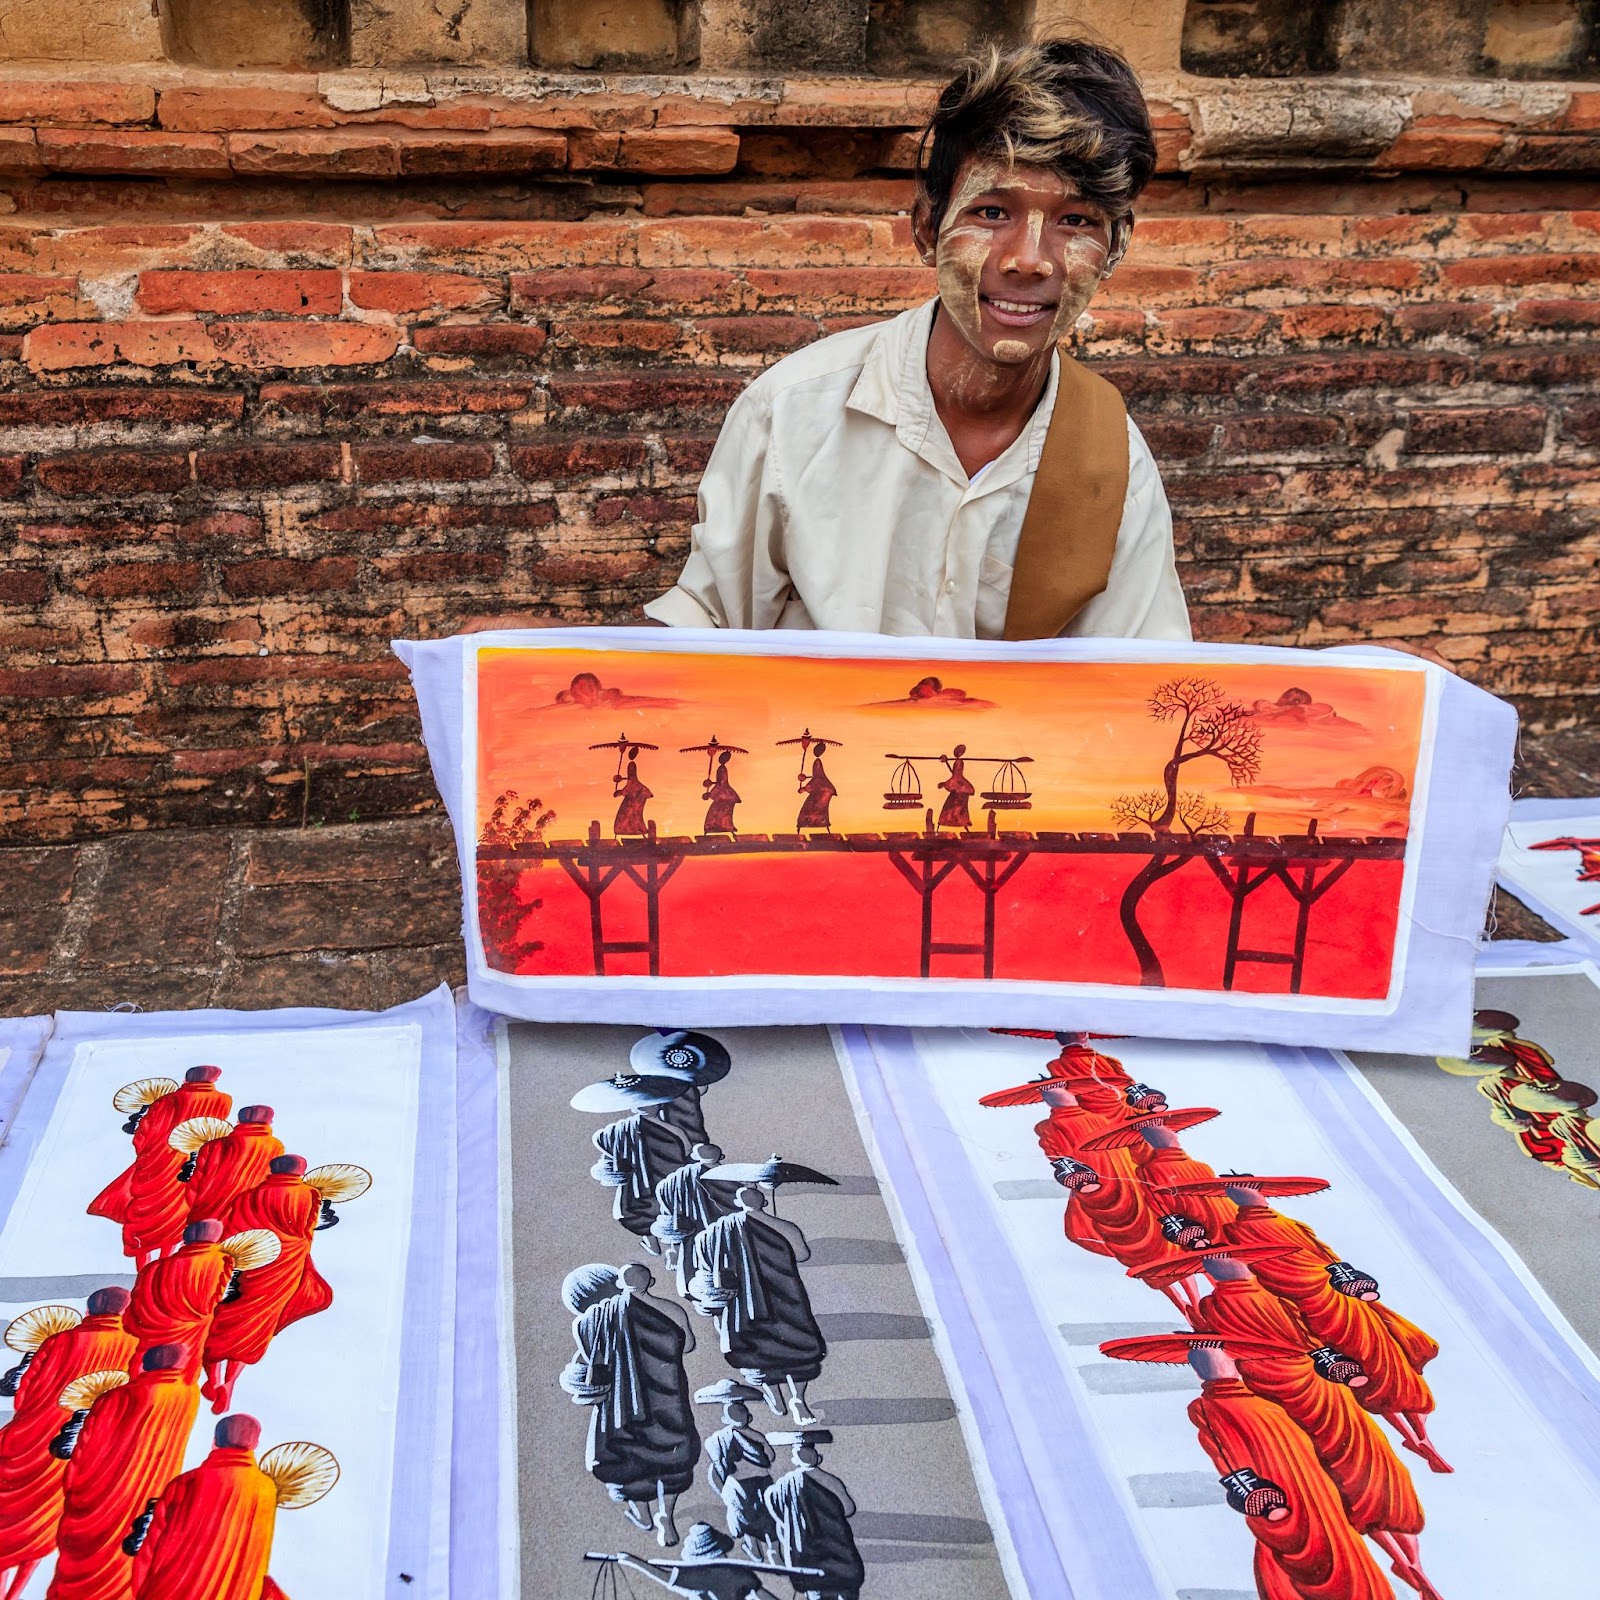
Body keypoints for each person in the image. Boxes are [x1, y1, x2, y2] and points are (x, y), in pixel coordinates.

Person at [642, 41, 1187, 643]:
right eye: (991, 212)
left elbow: (1133, 683)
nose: (1029, 261)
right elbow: (707, 631)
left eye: (1076, 222)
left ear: (1116, 247)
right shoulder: (792, 414)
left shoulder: (1112, 460)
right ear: (927, 228)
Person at [1171, 1250, 1440, 1600]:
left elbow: (1311, 1335)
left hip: (1311, 1394)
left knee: (1367, 1481)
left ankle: (1410, 1562)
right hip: (1291, 1407)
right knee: (1344, 1497)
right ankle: (1402, 1562)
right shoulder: (1214, 1392)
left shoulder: (1246, 1304)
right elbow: (1226, 1455)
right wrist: (1251, 1492)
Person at [1221, 1183, 1448, 1472]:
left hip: (1334, 1302)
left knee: (1386, 1367)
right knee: (1376, 1372)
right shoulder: (1245, 1231)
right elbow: (1285, 1269)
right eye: (1255, 1192)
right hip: (1325, 1306)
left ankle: (1419, 1435)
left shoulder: (1284, 1223)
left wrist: (1339, 1278)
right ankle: (1416, 1435)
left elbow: (1324, 1258)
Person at [1184, 1343, 1394, 1600]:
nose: (1229, 1364)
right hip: (1276, 1484)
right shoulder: (1204, 1407)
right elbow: (1223, 1454)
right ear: (1204, 1370)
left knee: (1338, 1540)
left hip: (1309, 1478)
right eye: (1221, 1360)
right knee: (1298, 1554)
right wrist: (1256, 1495)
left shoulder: (1255, 1394)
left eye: (1227, 1358)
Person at [0, 1289, 136, 1599]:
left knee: (6, 1517)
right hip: (74, 1445)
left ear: (88, 1312)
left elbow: (23, 1395)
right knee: (42, 1524)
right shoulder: (133, 1348)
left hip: (29, 1438)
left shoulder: (58, 1341)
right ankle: (17, 1591)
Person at [558, 1263, 700, 1548]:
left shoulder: (592, 1321)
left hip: (620, 1411)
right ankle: (667, 1517)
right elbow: (687, 1345)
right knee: (673, 1461)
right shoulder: (672, 1310)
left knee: (628, 1462)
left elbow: (586, 1363)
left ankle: (643, 1514)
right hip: (667, 1401)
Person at [48, 1342, 200, 1600]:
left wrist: (76, 1488)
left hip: (104, 1493)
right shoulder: (189, 1396)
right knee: (124, 1567)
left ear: (146, 1364)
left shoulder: (118, 1397)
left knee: (84, 1566)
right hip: (150, 1492)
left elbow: (85, 1448)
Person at [202, 1154, 334, 1414]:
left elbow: (233, 1231)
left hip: (252, 1261)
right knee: (260, 1323)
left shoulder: (247, 1196)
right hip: (285, 1266)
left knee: (227, 1317)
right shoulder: (309, 1195)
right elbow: (306, 1233)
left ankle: (213, 1378)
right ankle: (230, 1382)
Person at [689, 1187, 827, 1427]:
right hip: (785, 1300)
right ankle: (798, 1399)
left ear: (736, 1202)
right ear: (763, 1200)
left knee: (757, 1350)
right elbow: (803, 1254)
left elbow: (704, 1266)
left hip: (743, 1306)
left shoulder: (714, 1232)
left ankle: (774, 1396)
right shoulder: (785, 1227)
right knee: (796, 1349)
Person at [129, 1414, 289, 1600]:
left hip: (170, 1590)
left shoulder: (186, 1483)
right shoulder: (266, 1489)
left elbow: (152, 1544)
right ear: (255, 1444)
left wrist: (142, 1590)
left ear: (214, 1441)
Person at [99, 1067, 231, 1266]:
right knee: (175, 1218)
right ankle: (165, 1263)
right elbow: (214, 1131)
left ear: (187, 1078)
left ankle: (143, 1267)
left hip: (157, 1164)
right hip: (189, 1164)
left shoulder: (166, 1101)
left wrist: (150, 1152)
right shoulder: (223, 1101)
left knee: (144, 1217)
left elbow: (142, 1135)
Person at [598, 1522, 822, 1600]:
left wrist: (633, 1561)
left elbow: (663, 1577)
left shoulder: (695, 1577)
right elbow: (764, 1597)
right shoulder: (739, 1574)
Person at [124, 1219, 232, 1382]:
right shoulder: (222, 1262)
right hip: (190, 1333)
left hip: (152, 1329)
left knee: (139, 1379)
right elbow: (219, 1299)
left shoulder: (154, 1267)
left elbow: (136, 1304)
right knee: (178, 1382)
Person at [763, 1432, 864, 1600]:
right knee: (844, 1590)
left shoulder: (782, 1485)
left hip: (804, 1553)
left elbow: (773, 1505)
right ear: (818, 1458)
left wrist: (790, 1522)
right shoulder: (830, 1481)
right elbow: (848, 1508)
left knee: (815, 1592)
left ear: (795, 1460)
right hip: (837, 1550)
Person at [696, 1379, 779, 1562]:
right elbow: (717, 1469)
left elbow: (769, 1457)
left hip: (754, 1484)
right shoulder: (718, 1440)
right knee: (751, 1519)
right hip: (742, 1485)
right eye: (734, 1413)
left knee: (761, 1519)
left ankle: (767, 1551)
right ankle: (761, 1550)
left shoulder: (754, 1438)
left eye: (741, 1411)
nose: (739, 1416)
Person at [654, 1143, 739, 1294]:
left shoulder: (680, 1177)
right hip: (725, 1235)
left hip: (695, 1233)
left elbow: (664, 1190)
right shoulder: (731, 1178)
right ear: (721, 1157)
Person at [184, 1107, 284, 1233]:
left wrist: (195, 1204)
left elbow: (195, 1182)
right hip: (248, 1214)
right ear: (269, 1122)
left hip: (207, 1210)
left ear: (238, 1121)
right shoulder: (275, 1147)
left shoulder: (213, 1145)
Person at [795, 744, 836, 833]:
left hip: (820, 797)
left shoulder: (819, 778)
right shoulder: (820, 777)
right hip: (822, 796)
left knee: (809, 811)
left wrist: (804, 789)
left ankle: (809, 823)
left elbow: (815, 784)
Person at [615, 747, 653, 838]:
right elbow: (627, 789)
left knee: (631, 815)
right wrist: (619, 792)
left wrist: (619, 792)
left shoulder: (633, 782)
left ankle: (639, 831)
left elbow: (628, 789)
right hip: (631, 800)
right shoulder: (632, 782)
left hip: (632, 801)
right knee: (628, 816)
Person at [702, 749, 741, 837]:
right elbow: (721, 782)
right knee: (719, 810)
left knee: (724, 811)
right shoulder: (721, 768)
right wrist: (711, 785)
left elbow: (722, 782)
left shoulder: (722, 768)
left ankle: (726, 826)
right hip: (723, 791)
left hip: (723, 791)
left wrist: (712, 788)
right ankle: (713, 827)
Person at [935, 746, 975, 830]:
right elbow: (955, 775)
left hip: (960, 790)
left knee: (956, 808)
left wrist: (944, 784)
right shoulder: (958, 764)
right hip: (959, 790)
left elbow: (956, 776)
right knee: (953, 808)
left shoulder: (959, 763)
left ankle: (963, 823)